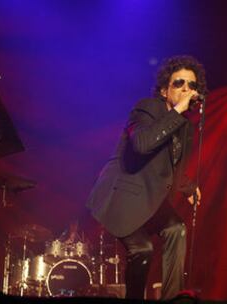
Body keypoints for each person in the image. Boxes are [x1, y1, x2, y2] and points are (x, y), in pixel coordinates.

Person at [86, 55, 206, 299]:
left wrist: (188, 187)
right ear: (164, 90)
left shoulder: (185, 127)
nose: (186, 89)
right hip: (123, 197)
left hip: (149, 199)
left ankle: (173, 298)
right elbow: (142, 144)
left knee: (176, 229)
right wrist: (179, 109)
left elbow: (170, 166)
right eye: (179, 83)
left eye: (192, 86)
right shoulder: (147, 108)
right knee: (143, 248)